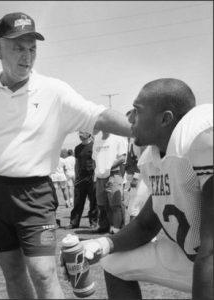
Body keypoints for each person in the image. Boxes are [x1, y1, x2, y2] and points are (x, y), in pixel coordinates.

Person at [0, 12, 131, 299]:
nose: (26, 56)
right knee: (13, 273)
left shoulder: (54, 91)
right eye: (18, 47)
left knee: (43, 272)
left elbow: (99, 114)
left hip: (35, 194)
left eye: (32, 49)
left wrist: (144, 131)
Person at [63, 79, 213, 300]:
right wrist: (101, 244)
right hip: (193, 256)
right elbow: (145, 225)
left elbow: (211, 251)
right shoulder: (153, 158)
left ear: (165, 119)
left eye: (137, 111)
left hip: (208, 257)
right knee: (114, 262)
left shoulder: (201, 141)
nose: (129, 119)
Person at [92, 130, 127, 234]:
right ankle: (104, 226)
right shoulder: (97, 139)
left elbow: (122, 157)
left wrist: (107, 167)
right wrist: (97, 172)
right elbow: (94, 159)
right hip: (99, 177)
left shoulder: (118, 137)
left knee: (115, 204)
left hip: (113, 174)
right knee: (102, 204)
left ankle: (117, 229)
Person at [66, 132, 98, 229]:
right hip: (80, 178)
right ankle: (74, 222)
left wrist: (95, 176)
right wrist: (76, 176)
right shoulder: (77, 148)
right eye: (79, 133)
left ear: (89, 134)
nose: (80, 135)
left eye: (82, 133)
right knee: (78, 201)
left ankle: (93, 222)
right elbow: (76, 163)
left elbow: (96, 161)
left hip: (92, 177)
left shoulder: (94, 146)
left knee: (93, 201)